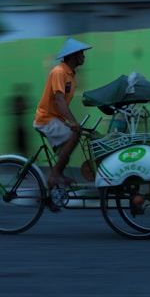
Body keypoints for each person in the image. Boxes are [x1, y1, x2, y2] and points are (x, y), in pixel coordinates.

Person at [33, 37, 92, 208]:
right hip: (46, 119)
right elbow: (59, 99)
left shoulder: (71, 74)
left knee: (67, 150)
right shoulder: (59, 72)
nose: (84, 57)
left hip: (55, 119)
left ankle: (49, 194)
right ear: (73, 56)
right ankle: (54, 176)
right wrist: (72, 121)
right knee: (72, 137)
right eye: (81, 54)